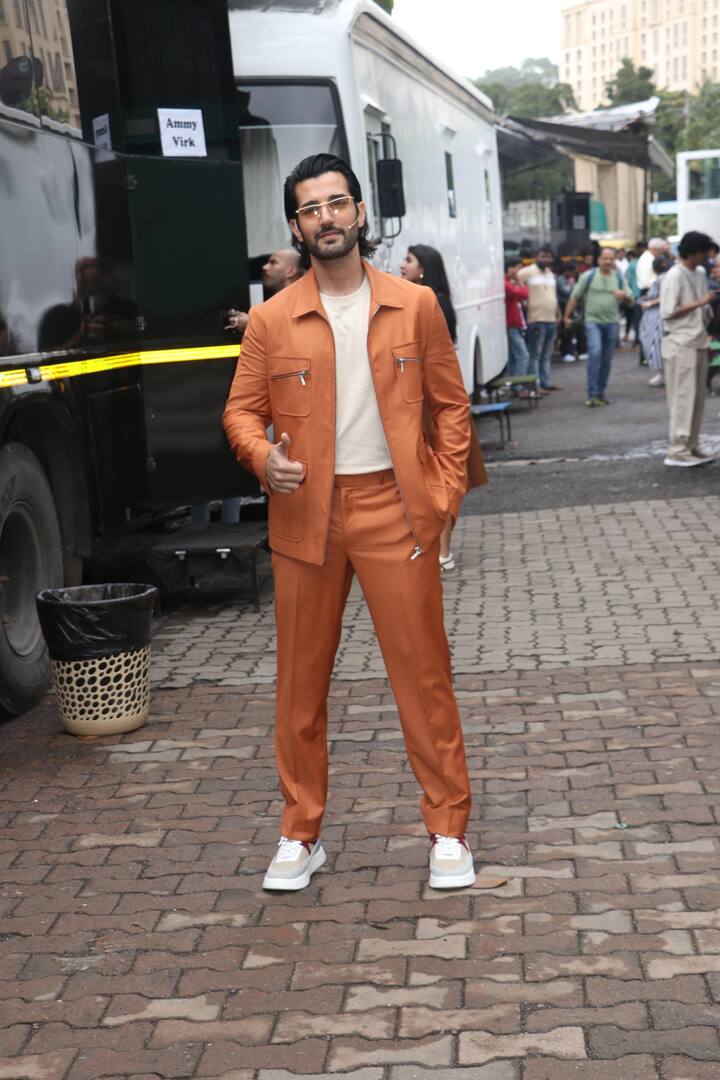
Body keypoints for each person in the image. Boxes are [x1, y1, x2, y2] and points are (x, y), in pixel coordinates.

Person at [223, 152, 475, 892]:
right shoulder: (272, 319)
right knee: (299, 684)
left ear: (360, 214)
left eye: (337, 204)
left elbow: (451, 408)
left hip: (395, 509)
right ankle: (300, 833)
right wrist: (262, 459)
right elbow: (241, 411)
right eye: (310, 209)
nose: (326, 218)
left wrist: (444, 493)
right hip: (306, 515)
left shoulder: (413, 304)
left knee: (423, 676)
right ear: (297, 228)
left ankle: (448, 829)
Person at [400, 244, 488, 572]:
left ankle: (442, 549)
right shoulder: (434, 300)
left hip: (430, 403)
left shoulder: (431, 302)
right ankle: (440, 548)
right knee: (438, 476)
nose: (402, 265)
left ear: (424, 269)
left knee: (440, 476)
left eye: (409, 260)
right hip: (429, 401)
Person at [659, 230, 716, 467]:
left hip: (699, 340)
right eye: (705, 253)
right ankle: (677, 448)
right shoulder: (674, 275)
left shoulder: (700, 272)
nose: (708, 258)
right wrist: (701, 303)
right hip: (680, 342)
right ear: (694, 252)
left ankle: (691, 443)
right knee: (682, 397)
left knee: (697, 397)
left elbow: (703, 308)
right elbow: (668, 311)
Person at [563, 246, 633, 407]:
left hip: (612, 323)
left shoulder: (619, 278)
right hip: (592, 321)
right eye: (605, 258)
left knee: (606, 359)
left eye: (611, 258)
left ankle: (600, 393)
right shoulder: (588, 276)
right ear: (598, 260)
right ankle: (592, 393)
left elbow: (631, 300)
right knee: (595, 353)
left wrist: (625, 296)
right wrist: (566, 317)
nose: (608, 261)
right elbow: (575, 297)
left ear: (614, 260)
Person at [517, 246, 562, 394]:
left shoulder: (550, 273)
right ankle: (533, 385)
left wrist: (558, 314)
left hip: (550, 320)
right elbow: (516, 288)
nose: (546, 259)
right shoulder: (525, 272)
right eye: (543, 256)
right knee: (534, 354)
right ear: (536, 256)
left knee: (546, 354)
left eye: (548, 257)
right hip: (535, 319)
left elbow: (553, 296)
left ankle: (545, 382)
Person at [226, 248, 304, 334]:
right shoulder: (274, 304)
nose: (264, 267)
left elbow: (294, 335)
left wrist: (251, 325)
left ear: (290, 271)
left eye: (273, 263)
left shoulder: (303, 304)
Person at [639, 254, 673, 387]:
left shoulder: (664, 278)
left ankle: (662, 374)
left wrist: (649, 303)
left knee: (655, 344)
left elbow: (665, 296)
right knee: (655, 344)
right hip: (657, 315)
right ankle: (662, 374)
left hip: (659, 315)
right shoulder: (666, 277)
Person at [504, 258, 532, 379]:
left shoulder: (508, 282)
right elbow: (525, 294)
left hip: (513, 324)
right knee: (523, 355)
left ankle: (514, 385)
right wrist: (520, 281)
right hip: (512, 324)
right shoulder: (505, 284)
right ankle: (520, 385)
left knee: (513, 357)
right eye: (517, 268)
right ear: (509, 268)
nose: (518, 272)